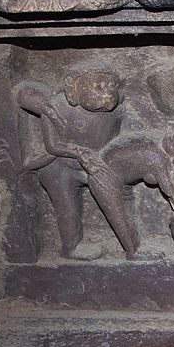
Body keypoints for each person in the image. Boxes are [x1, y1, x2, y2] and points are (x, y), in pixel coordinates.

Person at [15, 66, 126, 259]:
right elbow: (53, 145)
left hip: (96, 163)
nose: (107, 92)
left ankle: (130, 244)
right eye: (97, 86)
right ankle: (71, 247)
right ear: (73, 89)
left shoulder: (117, 110)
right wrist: (79, 152)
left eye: (111, 86)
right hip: (59, 166)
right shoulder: (57, 107)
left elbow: (121, 140)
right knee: (68, 210)